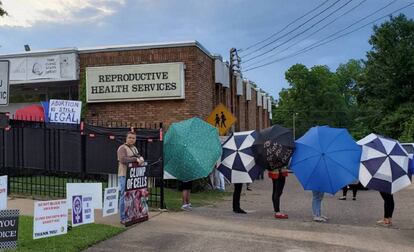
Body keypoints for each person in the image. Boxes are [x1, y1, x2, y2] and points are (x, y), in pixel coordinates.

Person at [117, 131, 144, 224]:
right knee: (124, 196)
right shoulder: (122, 148)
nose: (131, 139)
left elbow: (138, 156)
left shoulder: (134, 148)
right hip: (124, 175)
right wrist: (135, 159)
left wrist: (141, 158)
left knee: (132, 197)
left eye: (133, 138)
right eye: (130, 137)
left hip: (132, 176)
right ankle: (122, 217)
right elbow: (123, 159)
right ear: (126, 138)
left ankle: (131, 215)